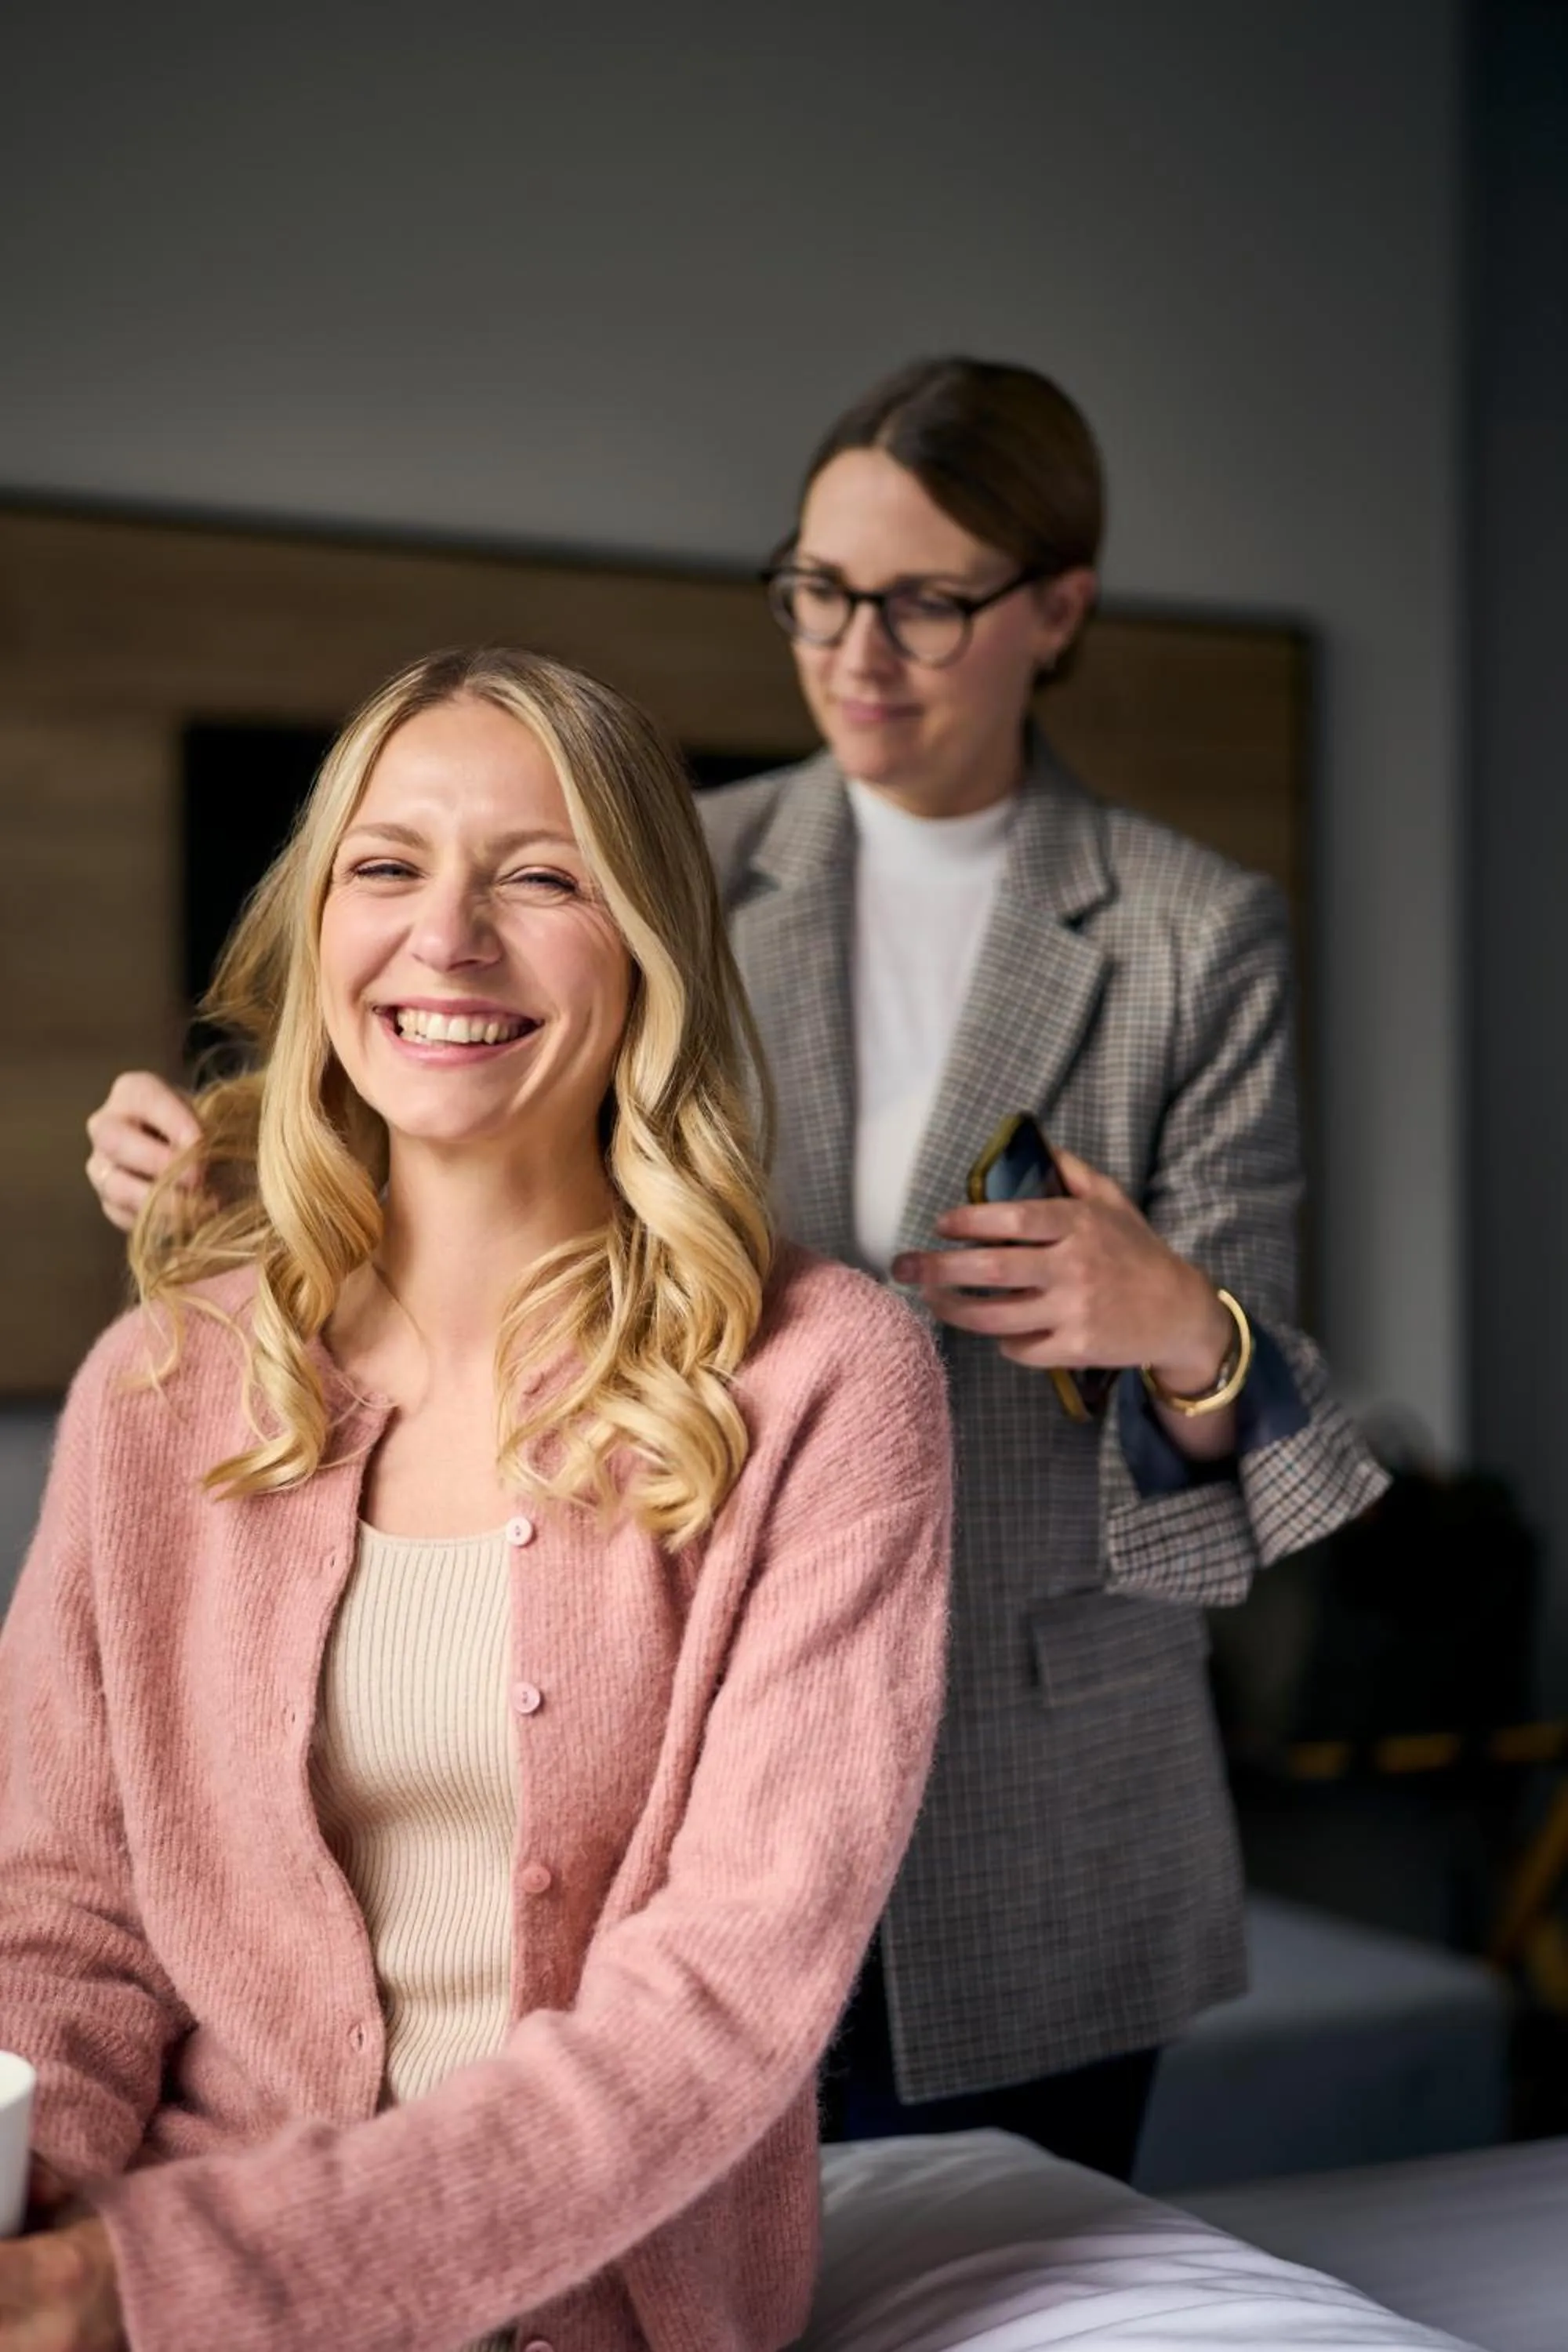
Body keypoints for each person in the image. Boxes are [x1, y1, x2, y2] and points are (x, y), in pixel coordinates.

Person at [85, 355, 1388, 2183]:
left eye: (924, 602)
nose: (858, 650)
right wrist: (221, 1150)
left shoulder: (1188, 935)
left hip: (1025, 1801)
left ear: (1056, 611)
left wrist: (1178, 1321)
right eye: (817, 593)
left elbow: (1257, 1394)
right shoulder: (672, 857)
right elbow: (455, 1076)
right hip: (665, 1739)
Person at [1, 648, 950, 2352]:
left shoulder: (827, 1382)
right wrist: (35, 2218)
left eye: (541, 876)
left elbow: (723, 1998)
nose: (448, 938)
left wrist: (159, 2286)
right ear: (317, 936)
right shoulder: (158, 1388)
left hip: (611, 2303)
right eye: (387, 867)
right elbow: (56, 1918)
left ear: (649, 946)